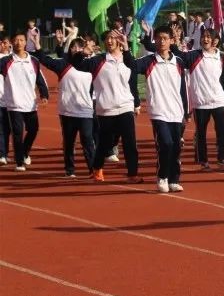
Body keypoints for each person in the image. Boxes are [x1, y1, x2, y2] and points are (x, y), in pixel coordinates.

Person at [70, 30, 141, 183]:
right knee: (105, 143)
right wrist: (82, 52)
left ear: (120, 41)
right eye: (107, 38)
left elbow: (133, 74)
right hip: (106, 108)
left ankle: (133, 173)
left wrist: (136, 103)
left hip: (125, 106)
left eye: (113, 38)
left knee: (130, 142)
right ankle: (96, 168)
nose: (109, 41)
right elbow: (76, 64)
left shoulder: (127, 60)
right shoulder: (98, 60)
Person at [132, 25, 190, 193]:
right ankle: (162, 176)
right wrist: (127, 48)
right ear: (155, 40)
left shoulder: (178, 62)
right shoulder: (149, 61)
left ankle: (174, 179)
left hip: (176, 111)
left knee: (176, 147)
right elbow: (132, 66)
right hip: (159, 111)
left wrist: (186, 111)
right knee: (165, 143)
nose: (162, 41)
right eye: (159, 38)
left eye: (165, 38)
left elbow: (182, 88)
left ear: (172, 40)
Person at [166, 26, 224, 170]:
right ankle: (203, 160)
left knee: (223, 130)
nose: (205, 39)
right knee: (201, 133)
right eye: (204, 36)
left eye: (209, 36)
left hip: (218, 100)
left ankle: (222, 158)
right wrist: (175, 40)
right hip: (201, 102)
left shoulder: (220, 56)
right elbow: (178, 54)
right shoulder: (194, 55)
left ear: (215, 40)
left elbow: (223, 78)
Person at [31, 37, 95, 177]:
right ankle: (69, 169)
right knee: (69, 142)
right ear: (71, 49)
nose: (78, 50)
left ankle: (93, 169)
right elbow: (45, 60)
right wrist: (38, 46)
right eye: (75, 47)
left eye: (80, 47)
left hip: (85, 110)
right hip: (67, 111)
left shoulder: (90, 65)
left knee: (87, 140)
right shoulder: (63, 65)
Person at [0, 32, 49, 171]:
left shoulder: (33, 61)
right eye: (15, 40)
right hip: (14, 104)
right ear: (11, 42)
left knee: (33, 130)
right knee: (17, 134)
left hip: (31, 103)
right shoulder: (6, 61)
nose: (18, 43)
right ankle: (19, 162)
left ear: (26, 42)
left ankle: (25, 151)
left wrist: (44, 94)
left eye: (21, 40)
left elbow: (40, 79)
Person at [0, 35, 10, 165]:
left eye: (5, 43)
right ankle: (2, 154)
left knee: (8, 130)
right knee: (1, 129)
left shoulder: (12, 59)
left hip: (11, 100)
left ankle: (5, 153)